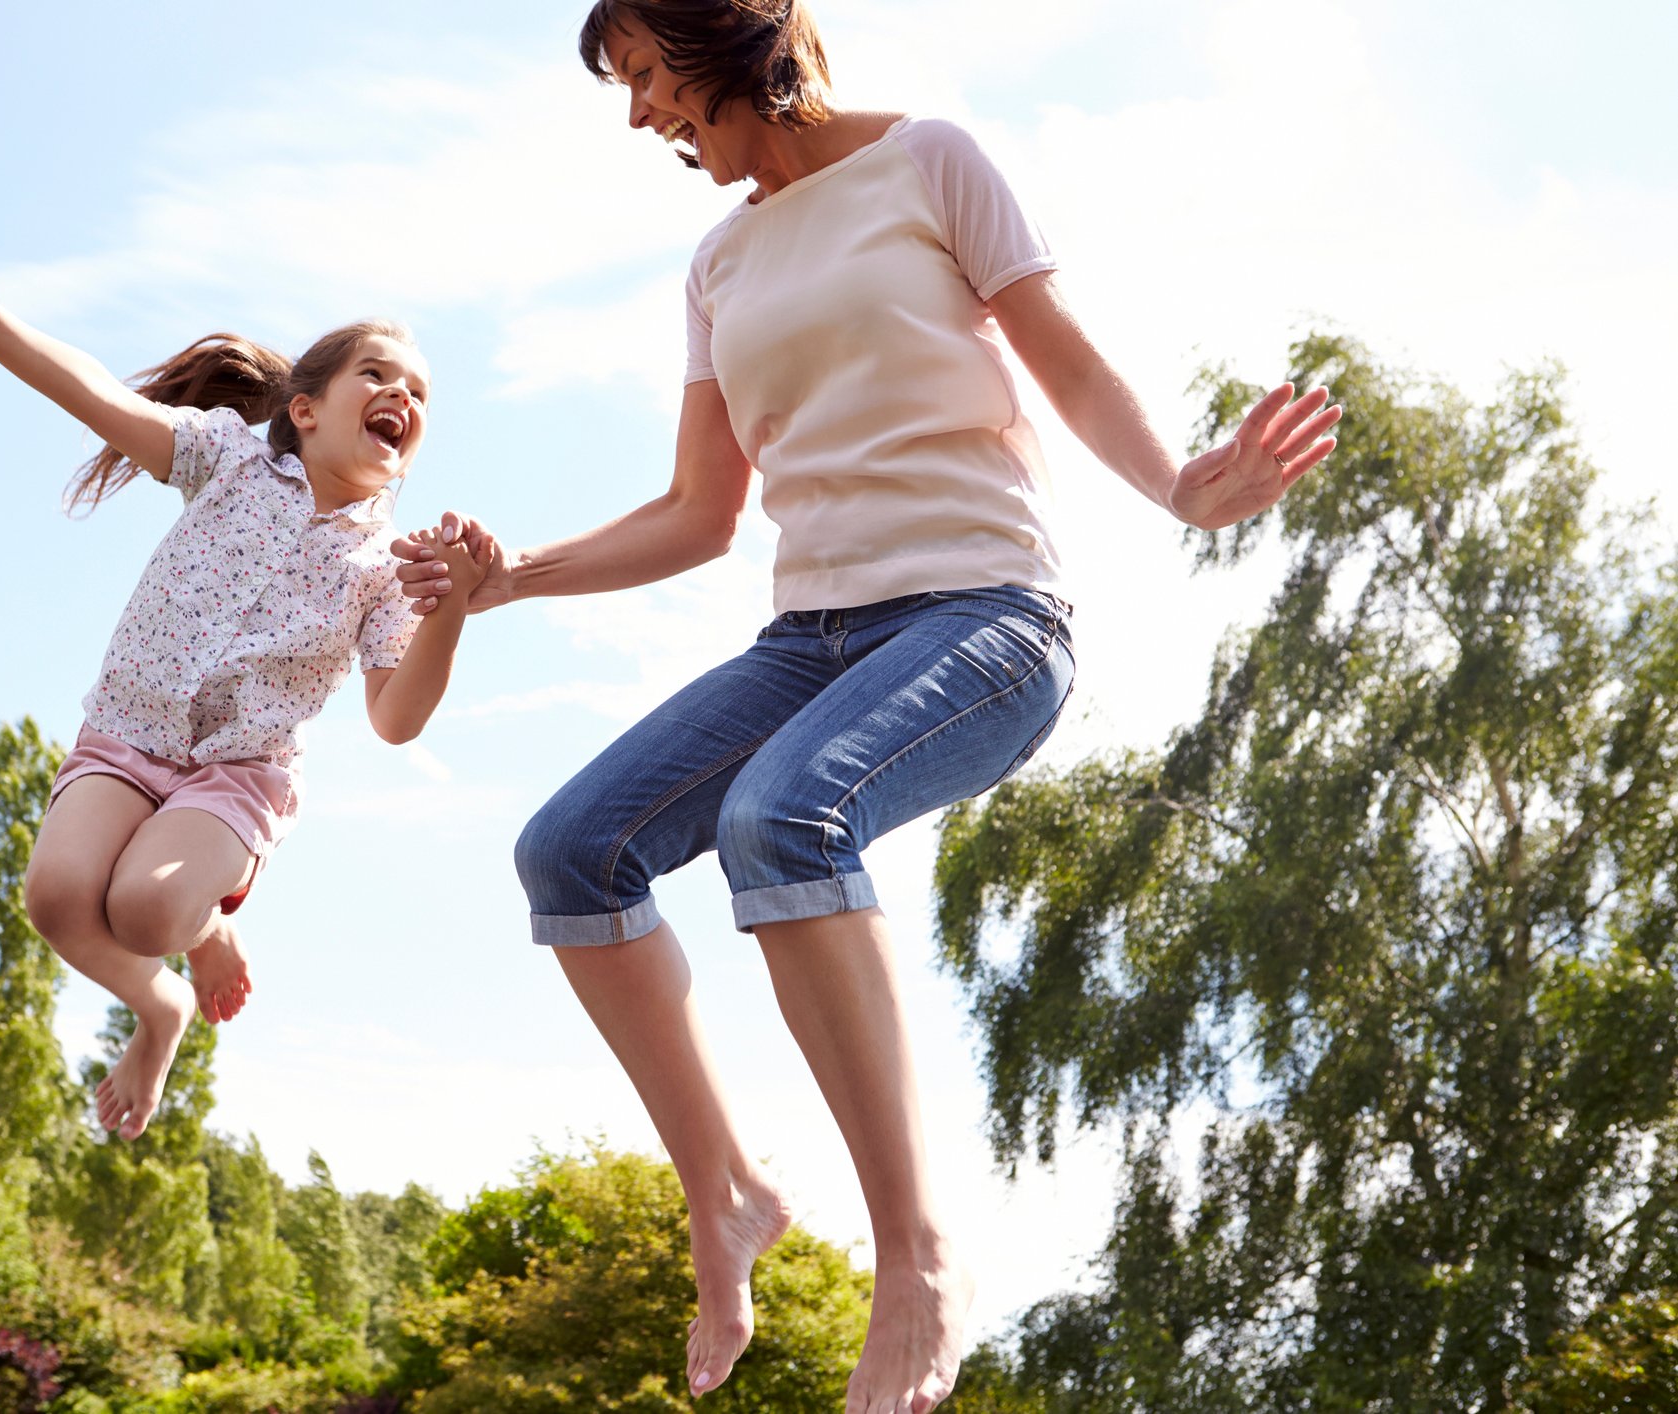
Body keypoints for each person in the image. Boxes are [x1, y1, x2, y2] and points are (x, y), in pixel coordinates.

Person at [392, 3, 1343, 1410]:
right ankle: (724, 1195)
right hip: (809, 637)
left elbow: (1062, 361)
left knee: (787, 814)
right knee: (570, 849)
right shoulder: (717, 262)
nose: (640, 113)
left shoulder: (930, 162)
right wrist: (504, 579)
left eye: (647, 74)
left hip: (983, 613)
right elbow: (698, 514)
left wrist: (1182, 489)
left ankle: (920, 1254)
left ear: (723, 37)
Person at [0, 230, 489, 1142]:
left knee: (144, 909)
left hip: (234, 777)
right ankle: (161, 1005)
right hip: (127, 737)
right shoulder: (226, 458)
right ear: (305, 410)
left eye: (418, 393)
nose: (401, 395)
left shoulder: (386, 568)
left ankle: (195, 929)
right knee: (54, 896)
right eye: (375, 376)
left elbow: (396, 720)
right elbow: (88, 390)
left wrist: (449, 609)